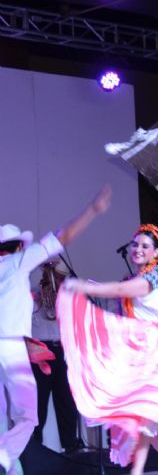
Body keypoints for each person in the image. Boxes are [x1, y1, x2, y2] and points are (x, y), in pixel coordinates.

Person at [58, 224, 158, 475]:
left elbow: (119, 291)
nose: (137, 249)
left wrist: (84, 287)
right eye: (135, 244)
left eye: (145, 246)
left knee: (144, 416)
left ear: (156, 253)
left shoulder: (150, 279)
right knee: (143, 418)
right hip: (147, 355)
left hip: (157, 358)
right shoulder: (143, 277)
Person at [0, 185, 111, 475]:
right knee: (27, 417)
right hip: (11, 347)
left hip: (14, 346)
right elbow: (63, 237)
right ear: (19, 247)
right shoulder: (17, 261)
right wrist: (93, 210)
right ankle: (4, 457)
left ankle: (10, 466)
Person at [30, 260, 83, 453]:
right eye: (55, 277)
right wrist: (38, 299)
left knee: (66, 401)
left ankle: (70, 446)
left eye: (61, 278)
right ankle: (35, 448)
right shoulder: (33, 295)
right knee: (38, 403)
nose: (58, 281)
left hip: (63, 350)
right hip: (40, 351)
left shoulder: (68, 297)